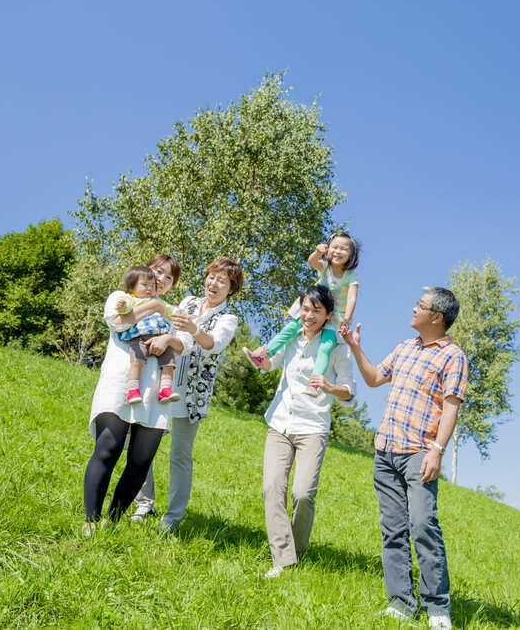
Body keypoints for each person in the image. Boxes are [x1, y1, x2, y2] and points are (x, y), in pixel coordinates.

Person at [339, 287, 467, 630]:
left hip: (419, 454)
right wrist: (355, 346)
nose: (413, 309)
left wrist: (437, 450)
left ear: (436, 317)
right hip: (386, 450)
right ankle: (401, 602)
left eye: (420, 306)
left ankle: (437, 608)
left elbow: (451, 407)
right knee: (393, 530)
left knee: (423, 525)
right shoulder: (404, 348)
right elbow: (374, 378)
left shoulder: (452, 356)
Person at [130, 258, 242, 527]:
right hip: (163, 381)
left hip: (192, 394)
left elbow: (213, 344)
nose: (214, 284)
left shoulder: (228, 318)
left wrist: (194, 329)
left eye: (222, 281)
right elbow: (167, 327)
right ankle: (144, 504)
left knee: (180, 455)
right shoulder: (188, 302)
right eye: (212, 277)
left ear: (231, 289)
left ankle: (172, 517)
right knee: (142, 445)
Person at [82, 254, 188, 535]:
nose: (161, 279)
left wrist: (168, 338)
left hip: (156, 392)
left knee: (140, 460)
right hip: (120, 382)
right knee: (108, 448)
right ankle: (90, 521)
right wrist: (154, 305)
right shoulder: (121, 297)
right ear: (145, 271)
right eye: (157, 271)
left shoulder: (173, 311)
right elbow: (118, 322)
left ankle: (111, 522)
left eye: (169, 277)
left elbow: (185, 345)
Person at [258, 284, 355, 578]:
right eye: (305, 309)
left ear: (327, 315)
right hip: (280, 422)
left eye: (316, 310)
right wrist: (259, 358)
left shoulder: (337, 347)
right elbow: (269, 364)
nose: (308, 315)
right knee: (272, 488)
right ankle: (283, 559)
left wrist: (330, 386)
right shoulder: (293, 337)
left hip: (312, 428)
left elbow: (349, 392)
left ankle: (297, 552)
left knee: (302, 494)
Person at [244, 232, 359, 396]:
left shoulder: (351, 275)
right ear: (328, 249)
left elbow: (352, 298)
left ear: (351, 254)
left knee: (326, 346)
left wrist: (347, 319)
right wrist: (317, 253)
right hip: (313, 307)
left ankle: (314, 383)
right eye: (334, 247)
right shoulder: (325, 266)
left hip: (335, 316)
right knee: (289, 329)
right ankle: (263, 354)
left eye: (343, 249)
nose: (338, 251)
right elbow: (312, 262)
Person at [114, 265, 180, 405]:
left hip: (159, 336)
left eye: (152, 286)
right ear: (132, 286)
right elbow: (124, 310)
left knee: (169, 362)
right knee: (137, 361)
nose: (149, 288)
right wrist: (122, 306)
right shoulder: (131, 299)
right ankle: (132, 390)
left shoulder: (159, 302)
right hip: (139, 336)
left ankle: (166, 389)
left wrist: (182, 315)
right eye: (145, 285)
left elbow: (171, 311)